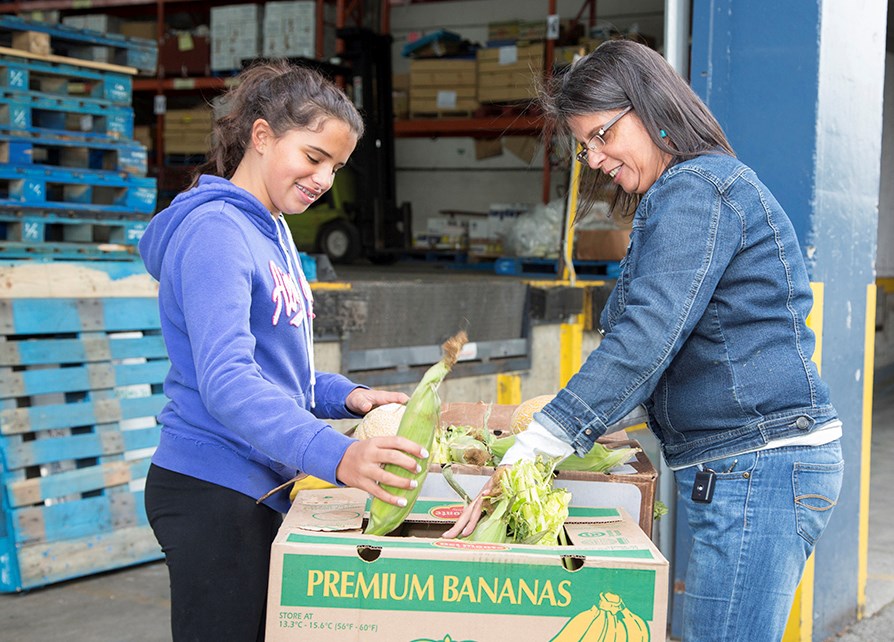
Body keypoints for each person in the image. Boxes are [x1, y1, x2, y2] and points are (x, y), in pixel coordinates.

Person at [445, 39, 844, 642]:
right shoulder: (697, 191)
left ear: (649, 107)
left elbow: (648, 335)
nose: (596, 158)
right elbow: (686, 342)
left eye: (602, 136)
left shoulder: (696, 190)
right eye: (585, 146)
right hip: (751, 464)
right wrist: (606, 417)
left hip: (759, 466)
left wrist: (545, 440)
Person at [139, 61, 425, 642]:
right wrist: (334, 456)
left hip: (258, 481)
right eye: (313, 157)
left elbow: (277, 368)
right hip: (212, 489)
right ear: (262, 136)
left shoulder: (271, 228)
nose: (323, 179)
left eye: (336, 168)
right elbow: (228, 381)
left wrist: (349, 397)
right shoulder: (216, 232)